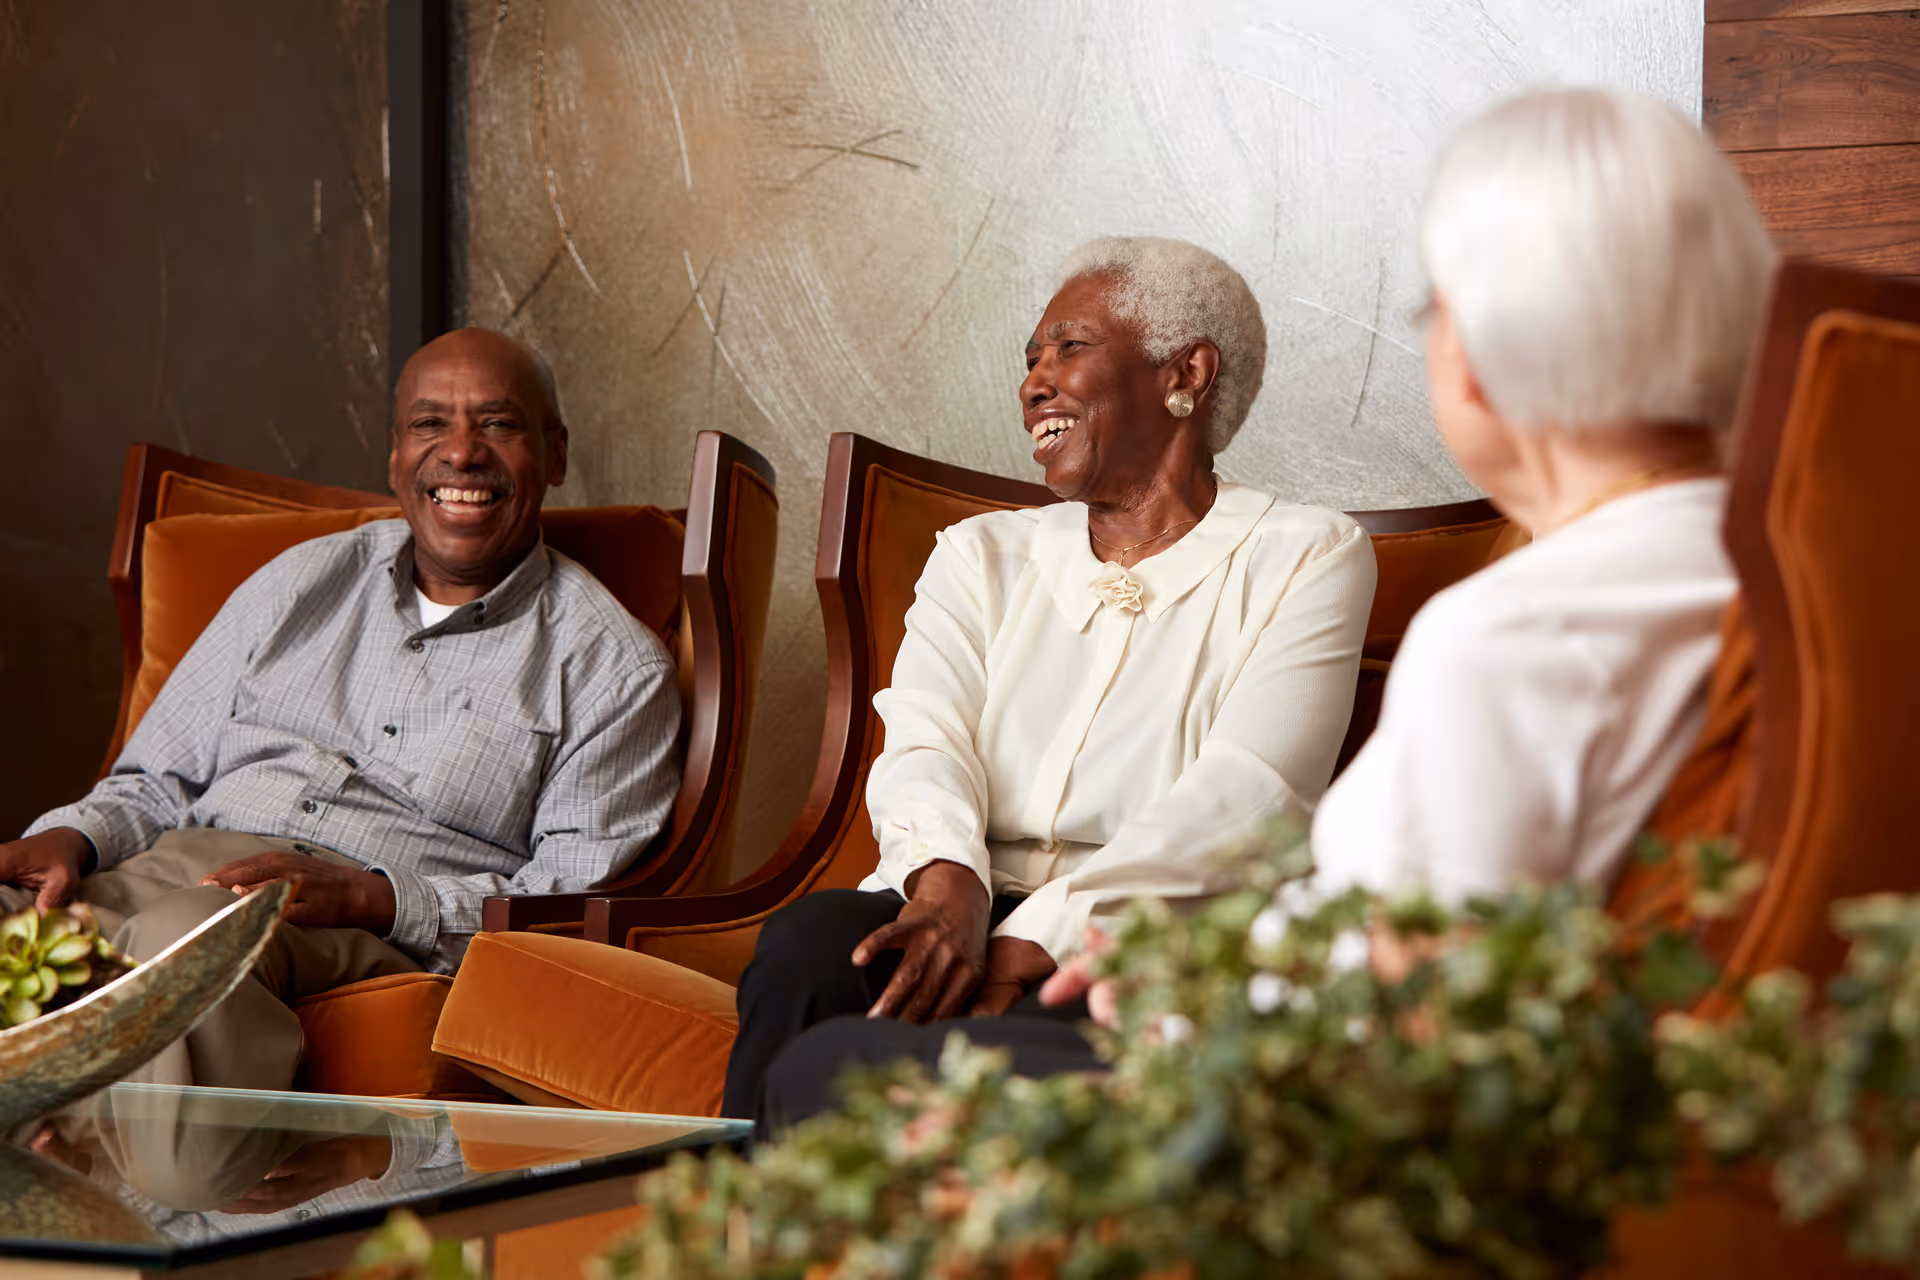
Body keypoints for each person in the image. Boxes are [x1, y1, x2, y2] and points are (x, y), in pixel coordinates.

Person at [756, 86, 1777, 1131]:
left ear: (1479, 352)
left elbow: (1415, 962)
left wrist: (1172, 974)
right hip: (1274, 1011)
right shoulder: (1773, 580)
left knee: (825, 1070)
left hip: (1307, 1089)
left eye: (1437, 312)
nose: (1033, 382)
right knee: (816, 966)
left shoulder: (1506, 628)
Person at [723, 237, 1380, 1121]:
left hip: (1143, 935)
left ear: (1185, 371)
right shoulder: (979, 554)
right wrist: (947, 882)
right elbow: (926, 737)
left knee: (1036, 1020)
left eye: (1070, 347)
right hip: (954, 896)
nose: (1035, 381)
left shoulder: (1308, 554)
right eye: (1030, 358)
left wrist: (1038, 935)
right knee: (810, 950)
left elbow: (1250, 795)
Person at [0, 327, 682, 1093]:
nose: (461, 452)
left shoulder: (614, 670)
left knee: (184, 942)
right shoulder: (299, 581)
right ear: (395, 455)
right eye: (431, 424)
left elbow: (564, 907)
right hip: (172, 865)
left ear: (554, 455)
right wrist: (73, 837)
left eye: (498, 422)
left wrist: (372, 897)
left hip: (358, 922)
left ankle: (176, 1206)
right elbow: (158, 780)